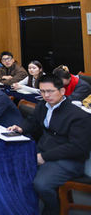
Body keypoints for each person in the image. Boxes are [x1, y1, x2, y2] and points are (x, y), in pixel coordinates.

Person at [8, 75, 91, 215]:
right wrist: (20, 128)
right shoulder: (44, 105)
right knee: (13, 166)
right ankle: (22, 205)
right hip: (43, 150)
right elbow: (32, 121)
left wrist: (44, 157)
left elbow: (77, 148)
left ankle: (54, 208)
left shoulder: (79, 116)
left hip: (68, 160)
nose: (46, 95)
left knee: (42, 184)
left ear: (62, 91)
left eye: (50, 91)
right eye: (42, 91)